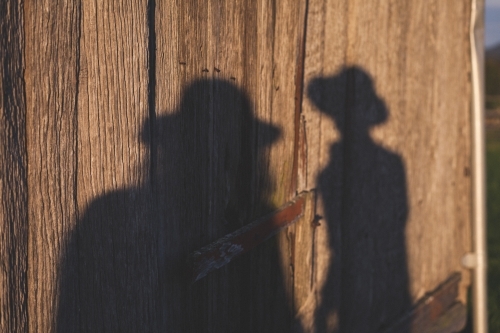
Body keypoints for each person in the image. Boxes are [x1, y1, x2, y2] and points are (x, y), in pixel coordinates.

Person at [309, 67, 411, 332]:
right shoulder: (329, 172)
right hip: (356, 274)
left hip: (382, 271)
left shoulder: (390, 164)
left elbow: (396, 225)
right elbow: (337, 241)